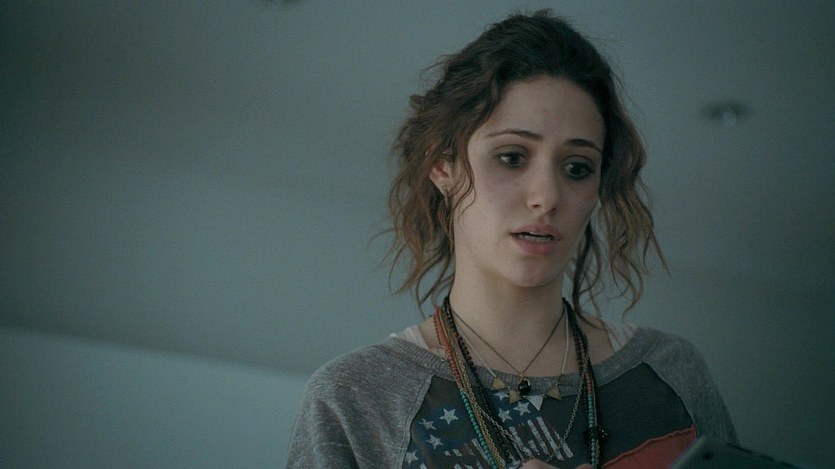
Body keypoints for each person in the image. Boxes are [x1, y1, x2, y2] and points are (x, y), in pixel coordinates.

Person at [287, 10, 736, 469]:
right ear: (442, 165)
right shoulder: (357, 399)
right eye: (512, 157)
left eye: (577, 168)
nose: (547, 197)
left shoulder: (671, 373)